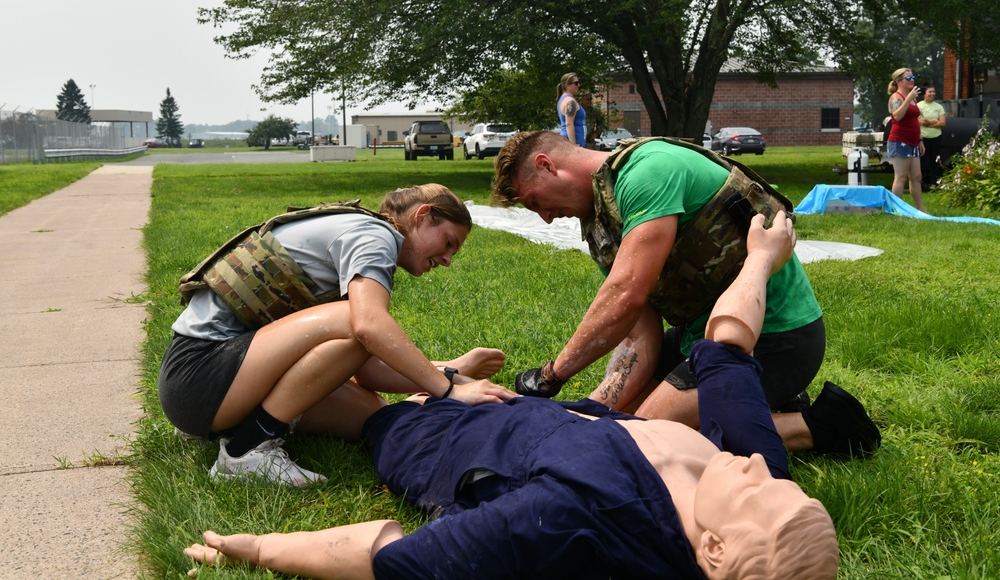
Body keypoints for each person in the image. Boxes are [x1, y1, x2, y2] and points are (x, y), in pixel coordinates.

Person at [183, 212, 842, 580]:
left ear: (716, 551)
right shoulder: (749, 463)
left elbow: (397, 557)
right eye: (777, 480)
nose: (762, 467)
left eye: (757, 490)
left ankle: (250, 423)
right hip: (540, 415)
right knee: (364, 364)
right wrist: (762, 256)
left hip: (438, 441)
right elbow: (727, 345)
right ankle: (428, 378)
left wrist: (261, 546)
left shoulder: (577, 514)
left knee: (373, 402)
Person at [491, 130, 880, 458]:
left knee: (649, 443)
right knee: (614, 426)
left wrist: (551, 375)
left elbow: (626, 293)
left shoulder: (648, 171)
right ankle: (763, 403)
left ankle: (821, 426)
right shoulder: (603, 217)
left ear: (546, 165)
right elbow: (638, 333)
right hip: (704, 337)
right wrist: (589, 411)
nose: (544, 217)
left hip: (776, 337)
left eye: (534, 202)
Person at [158, 184, 515, 486]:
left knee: (375, 415)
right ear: (422, 217)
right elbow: (366, 328)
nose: (449, 259)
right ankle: (246, 451)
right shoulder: (375, 236)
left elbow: (367, 369)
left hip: (207, 389)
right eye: (449, 242)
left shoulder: (364, 230)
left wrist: (448, 370)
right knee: (355, 318)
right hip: (196, 377)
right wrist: (450, 391)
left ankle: (233, 429)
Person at [886, 68, 926, 211]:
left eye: (913, 77)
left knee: (916, 176)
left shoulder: (913, 97)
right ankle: (896, 209)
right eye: (908, 78)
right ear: (898, 81)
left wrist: (920, 140)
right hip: (899, 141)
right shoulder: (896, 98)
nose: (912, 80)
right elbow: (896, 116)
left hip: (913, 141)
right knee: (901, 176)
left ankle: (920, 209)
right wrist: (908, 99)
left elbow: (916, 119)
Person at [917, 82, 946, 190]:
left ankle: (934, 184)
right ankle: (919, 184)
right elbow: (920, 121)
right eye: (930, 91)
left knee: (935, 162)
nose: (932, 93)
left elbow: (942, 123)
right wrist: (934, 121)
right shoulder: (919, 106)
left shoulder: (939, 107)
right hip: (923, 138)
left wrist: (927, 122)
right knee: (921, 162)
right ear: (924, 93)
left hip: (936, 137)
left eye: (934, 91)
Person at [556, 72, 587, 147]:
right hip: (574, 142)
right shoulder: (570, 102)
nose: (578, 85)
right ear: (568, 85)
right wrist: (573, 146)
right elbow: (569, 124)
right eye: (576, 83)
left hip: (570, 141)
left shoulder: (563, 99)